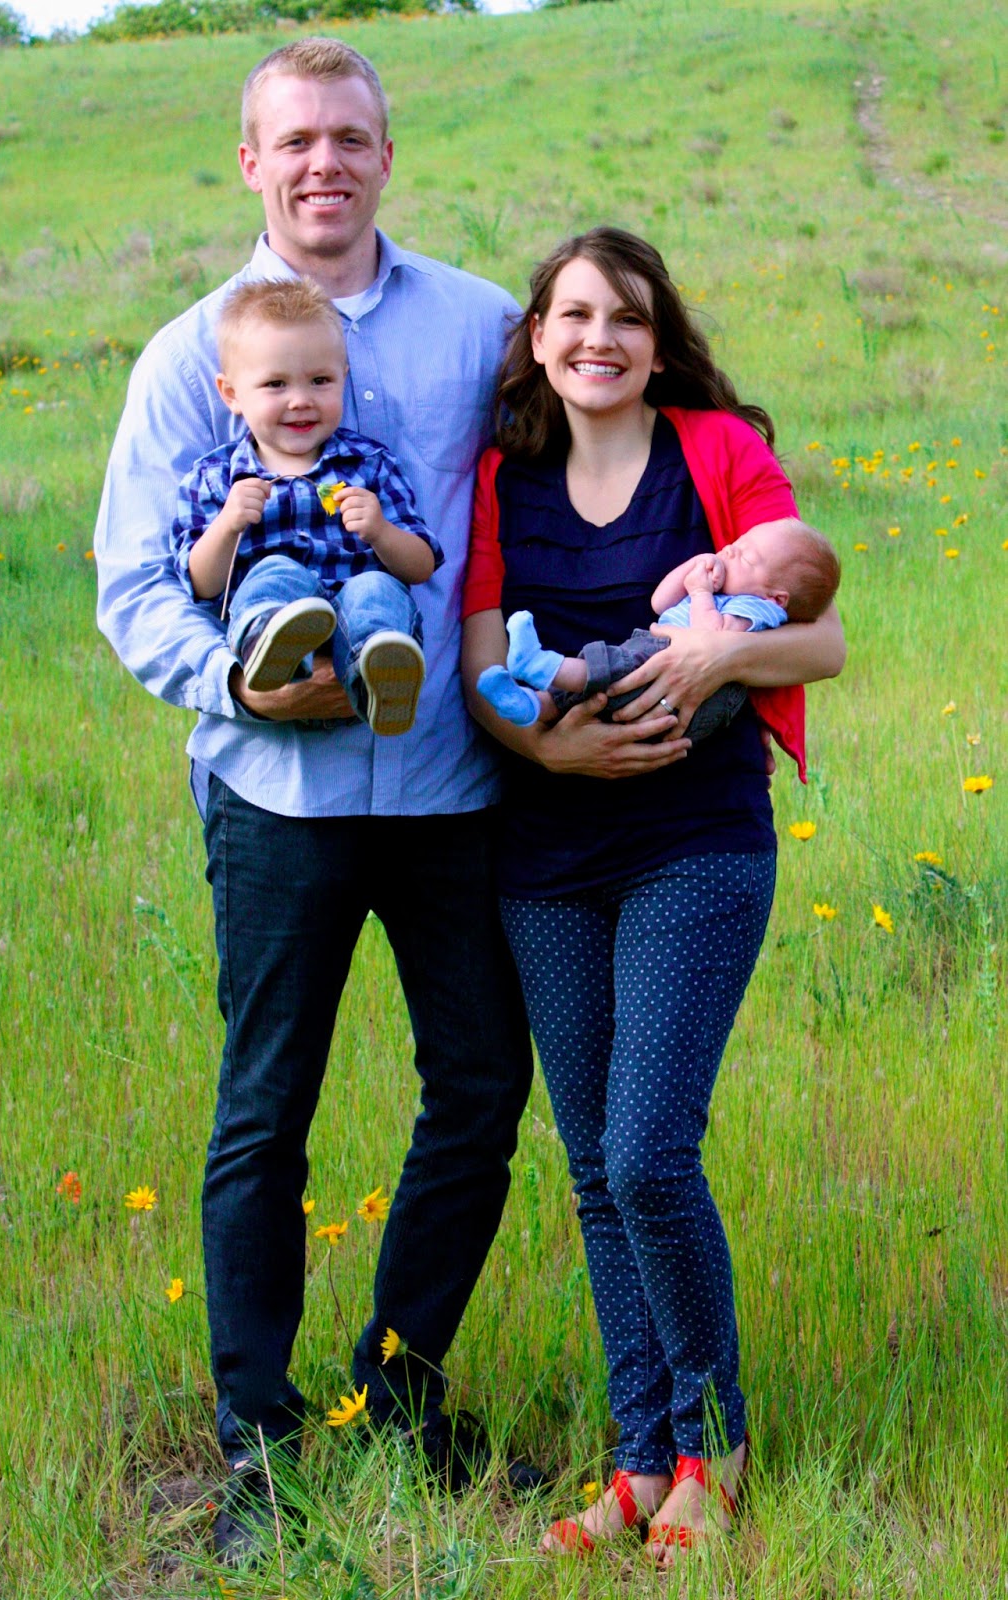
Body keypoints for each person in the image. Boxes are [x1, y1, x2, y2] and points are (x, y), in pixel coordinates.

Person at [95, 37, 538, 1567]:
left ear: (384, 154)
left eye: (348, 136)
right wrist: (242, 690)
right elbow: (135, 589)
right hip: (273, 796)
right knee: (263, 1111)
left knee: (477, 1088)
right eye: (293, 140)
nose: (322, 163)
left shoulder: (481, 325)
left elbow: (569, 482)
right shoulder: (189, 355)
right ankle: (257, 1443)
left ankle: (400, 1396)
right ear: (249, 160)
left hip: (449, 786)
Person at [461, 227, 845, 1564]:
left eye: (624, 317)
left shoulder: (715, 450)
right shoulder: (499, 477)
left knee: (645, 1152)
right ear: (536, 338)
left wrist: (711, 664)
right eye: (573, 316)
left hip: (693, 840)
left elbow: (820, 634)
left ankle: (712, 1449)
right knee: (591, 1169)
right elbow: (478, 666)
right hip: (545, 859)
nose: (598, 339)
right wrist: (548, 749)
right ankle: (636, 1465)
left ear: (656, 336)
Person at [173, 278, 442, 734]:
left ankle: (381, 676)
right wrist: (228, 525)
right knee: (275, 573)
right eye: (275, 384)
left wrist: (380, 530)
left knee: (376, 589)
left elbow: (421, 566)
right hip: (276, 609)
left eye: (320, 381)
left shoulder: (368, 465)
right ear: (231, 393)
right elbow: (201, 584)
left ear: (343, 378)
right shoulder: (217, 478)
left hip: (357, 615)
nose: (300, 400)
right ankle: (272, 645)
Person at [477, 517, 840, 728]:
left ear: (777, 597)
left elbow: (711, 639)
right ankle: (531, 705)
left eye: (747, 557)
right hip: (655, 653)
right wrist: (696, 567)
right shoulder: (726, 586)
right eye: (739, 542)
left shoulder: (757, 610)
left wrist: (701, 592)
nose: (731, 550)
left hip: (676, 678)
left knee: (610, 668)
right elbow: (660, 602)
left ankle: (539, 664)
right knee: (599, 682)